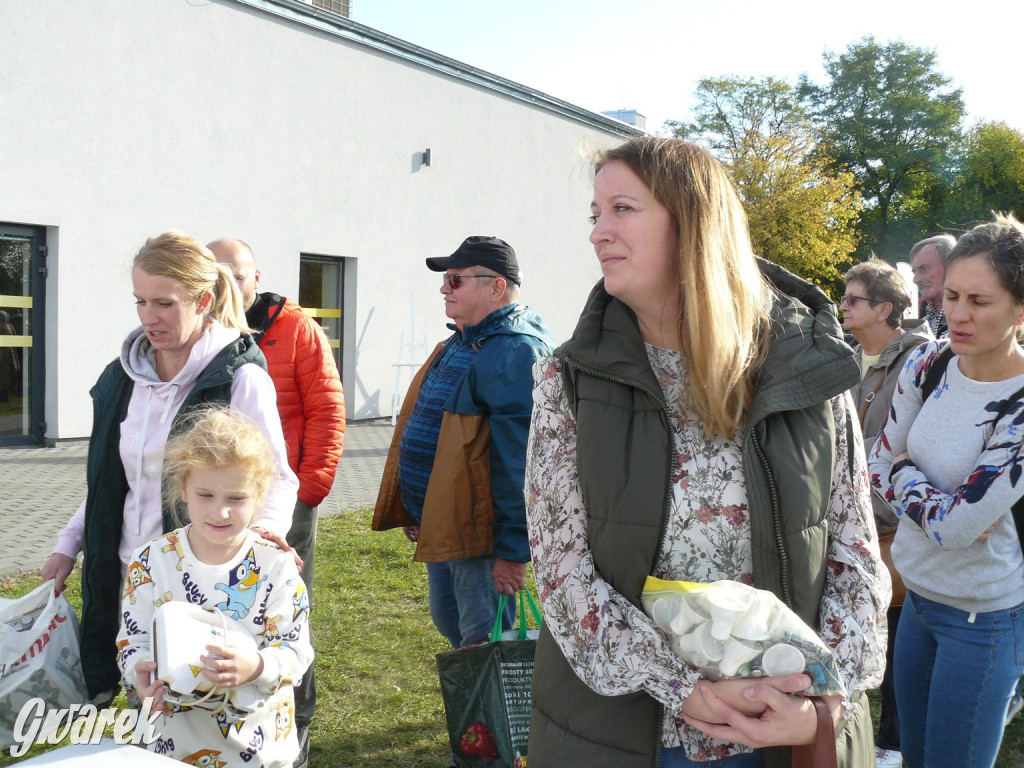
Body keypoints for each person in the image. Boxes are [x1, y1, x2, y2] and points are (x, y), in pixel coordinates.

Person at [525, 137, 888, 768]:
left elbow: (855, 557)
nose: (597, 233)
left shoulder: (805, 370)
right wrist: (684, 689)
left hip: (779, 733)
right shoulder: (569, 380)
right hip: (628, 735)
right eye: (595, 214)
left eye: (621, 209)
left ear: (692, 222)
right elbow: (561, 572)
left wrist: (817, 701)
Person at [40, 230, 298, 703]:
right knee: (147, 699)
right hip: (128, 574)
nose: (148, 318)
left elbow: (278, 477)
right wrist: (67, 545)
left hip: (200, 576)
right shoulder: (123, 377)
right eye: (140, 302)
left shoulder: (240, 379)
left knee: (197, 705)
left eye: (164, 304)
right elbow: (114, 482)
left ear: (202, 300)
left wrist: (263, 533)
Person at [868, 214, 1024, 768]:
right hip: (916, 600)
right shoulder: (928, 362)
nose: (957, 314)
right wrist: (937, 503)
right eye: (952, 295)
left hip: (982, 619)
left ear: (1020, 309)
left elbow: (956, 529)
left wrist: (907, 477)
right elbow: (876, 464)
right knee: (913, 756)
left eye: (979, 301)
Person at [372, 236, 555, 650]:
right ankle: (477, 711)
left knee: (486, 641)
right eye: (445, 279)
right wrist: (417, 508)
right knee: (453, 623)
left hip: (481, 535)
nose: (443, 288)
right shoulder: (464, 340)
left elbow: (522, 463)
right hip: (448, 523)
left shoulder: (515, 351)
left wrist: (512, 549)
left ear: (497, 287)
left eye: (455, 280)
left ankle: (495, 715)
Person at [209, 237, 346, 768]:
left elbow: (328, 413)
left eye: (237, 275)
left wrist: (305, 494)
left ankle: (296, 729)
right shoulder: (208, 336)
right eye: (217, 275)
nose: (229, 285)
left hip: (283, 507)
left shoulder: (297, 329)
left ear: (256, 276)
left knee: (285, 615)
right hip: (217, 506)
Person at [117, 405, 313, 768]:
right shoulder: (150, 562)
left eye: (236, 498)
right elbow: (133, 642)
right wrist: (138, 674)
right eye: (205, 495)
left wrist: (256, 666)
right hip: (171, 748)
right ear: (183, 489)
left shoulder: (276, 566)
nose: (219, 512)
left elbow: (295, 653)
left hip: (259, 751)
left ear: (259, 495)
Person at [840, 258, 933, 768]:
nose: (843, 307)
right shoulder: (843, 358)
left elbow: (915, 446)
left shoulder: (921, 358)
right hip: (849, 517)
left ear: (885, 308)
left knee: (899, 638)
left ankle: (893, 744)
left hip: (896, 522)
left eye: (854, 300)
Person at [910, 235, 955, 339]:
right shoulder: (919, 327)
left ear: (950, 267)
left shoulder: (971, 318)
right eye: (914, 271)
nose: (916, 280)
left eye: (924, 268)